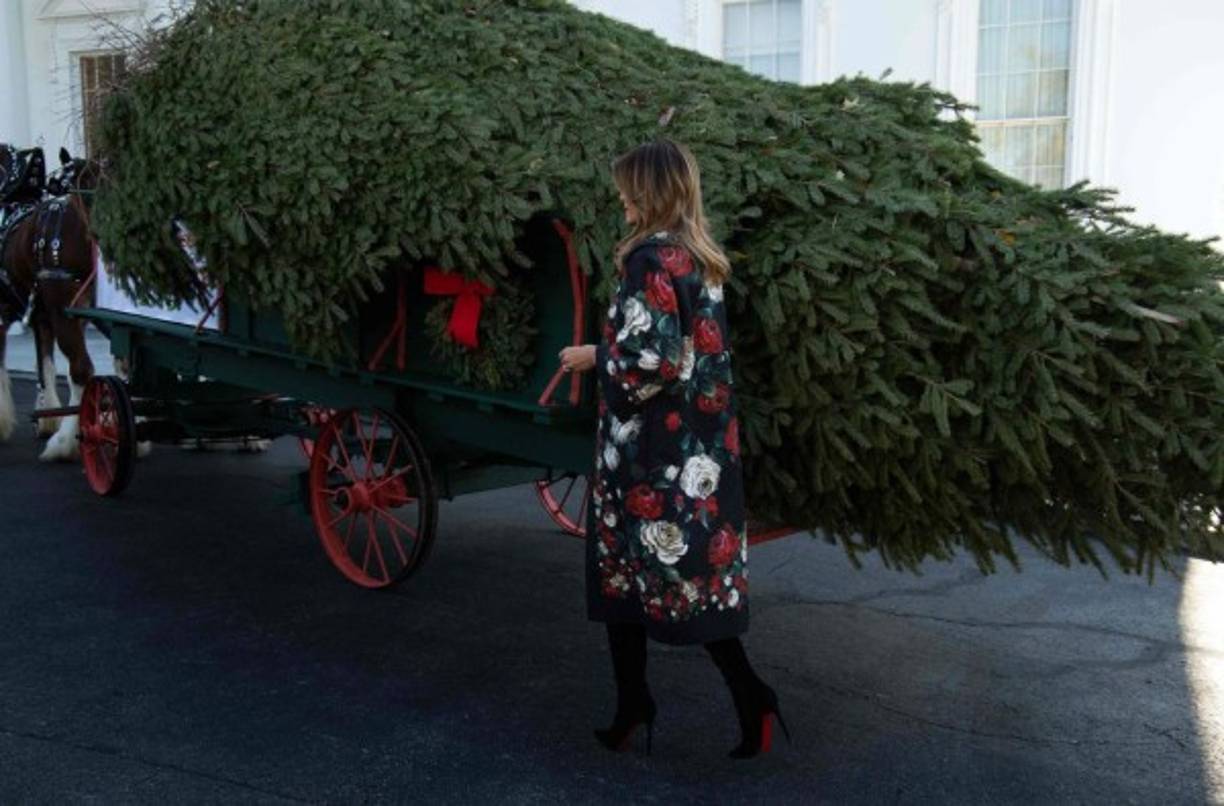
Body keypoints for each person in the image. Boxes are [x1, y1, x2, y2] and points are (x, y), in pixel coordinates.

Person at [559, 139, 788, 758]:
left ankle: (747, 693)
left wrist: (593, 355)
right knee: (652, 582)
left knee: (661, 580)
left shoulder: (652, 262)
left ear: (651, 191)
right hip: (693, 453)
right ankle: (638, 701)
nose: (620, 197)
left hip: (651, 457)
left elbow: (653, 360)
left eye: (628, 187)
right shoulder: (695, 258)